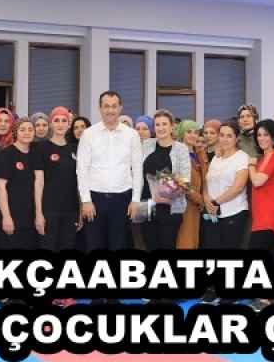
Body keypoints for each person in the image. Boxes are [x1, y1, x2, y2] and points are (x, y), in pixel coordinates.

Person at [77, 91, 143, 256]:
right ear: (100, 108)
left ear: (120, 108)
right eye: (106, 106)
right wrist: (86, 200)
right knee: (94, 245)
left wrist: (135, 200)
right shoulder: (89, 134)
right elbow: (82, 169)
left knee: (120, 245)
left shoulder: (132, 135)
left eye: (114, 106)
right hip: (95, 200)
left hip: (123, 200)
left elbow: (137, 169)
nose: (110, 110)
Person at [201, 121, 249, 304]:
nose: (225, 139)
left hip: (234, 211)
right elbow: (207, 182)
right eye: (222, 135)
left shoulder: (242, 157)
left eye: (229, 135)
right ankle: (213, 289)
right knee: (212, 251)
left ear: (236, 138)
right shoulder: (216, 158)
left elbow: (238, 187)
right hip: (212, 213)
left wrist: (216, 202)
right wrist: (207, 200)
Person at [247, 119, 274, 312]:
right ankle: (272, 296)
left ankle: (264, 298)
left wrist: (250, 165)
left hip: (271, 213)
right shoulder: (266, 157)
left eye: (266, 134)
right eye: (259, 135)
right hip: (267, 213)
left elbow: (257, 181)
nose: (261, 138)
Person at [140, 110, 191, 253]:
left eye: (164, 124)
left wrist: (164, 190)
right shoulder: (146, 145)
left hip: (170, 208)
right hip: (146, 206)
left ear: (172, 126)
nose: (161, 128)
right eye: (157, 124)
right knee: (149, 246)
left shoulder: (181, 149)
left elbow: (186, 182)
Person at [33, 107, 80, 252]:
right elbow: (38, 182)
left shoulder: (75, 149)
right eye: (56, 120)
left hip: (70, 210)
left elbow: (79, 183)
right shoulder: (41, 148)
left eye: (64, 121)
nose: (60, 124)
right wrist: (38, 213)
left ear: (69, 124)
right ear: (51, 124)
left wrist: (80, 210)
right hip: (49, 210)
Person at [0, 118, 37, 251]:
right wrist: (6, 217)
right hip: (11, 215)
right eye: (22, 130)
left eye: (30, 129)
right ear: (15, 132)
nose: (27, 133)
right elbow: (0, 187)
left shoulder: (35, 154)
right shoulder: (6, 154)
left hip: (30, 217)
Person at [175, 119, 205, 250]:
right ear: (182, 133)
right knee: (184, 242)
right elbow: (179, 181)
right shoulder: (178, 154)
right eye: (189, 132)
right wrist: (199, 198)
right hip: (183, 205)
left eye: (195, 132)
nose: (193, 135)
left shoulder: (198, 154)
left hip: (196, 207)